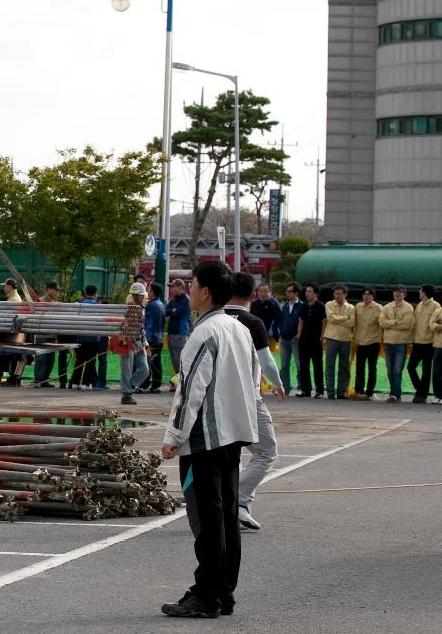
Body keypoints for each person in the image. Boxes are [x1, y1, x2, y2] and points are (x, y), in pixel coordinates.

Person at [160, 261, 260, 619]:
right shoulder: (239, 329)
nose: (189, 291)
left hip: (205, 438)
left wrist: (174, 435)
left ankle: (206, 594)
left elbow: (190, 392)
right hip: (233, 435)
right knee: (227, 514)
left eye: (193, 285)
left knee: (207, 516)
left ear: (205, 291)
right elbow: (254, 380)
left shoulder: (204, 334)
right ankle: (222, 592)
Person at [225, 272, 285, 532]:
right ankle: (238, 500)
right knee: (266, 451)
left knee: (229, 452)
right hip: (248, 397)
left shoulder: (211, 318)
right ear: (252, 295)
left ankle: (230, 503)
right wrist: (278, 384)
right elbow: (267, 360)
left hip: (216, 397)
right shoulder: (252, 321)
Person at [379, 285, 414, 403]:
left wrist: (390, 324)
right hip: (388, 342)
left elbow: (406, 325)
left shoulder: (408, 308)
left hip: (401, 343)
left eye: (400, 293)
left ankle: (394, 394)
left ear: (404, 294)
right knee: (390, 370)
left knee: (397, 369)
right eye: (395, 292)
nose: (397, 294)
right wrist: (395, 322)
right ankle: (396, 393)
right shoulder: (386, 307)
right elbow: (381, 323)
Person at [119, 282, 150, 405]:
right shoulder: (127, 309)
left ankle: (129, 386)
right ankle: (126, 394)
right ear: (135, 296)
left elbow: (141, 328)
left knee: (144, 370)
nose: (143, 298)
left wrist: (145, 343)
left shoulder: (141, 309)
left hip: (139, 342)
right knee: (126, 368)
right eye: (141, 295)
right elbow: (123, 326)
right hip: (127, 341)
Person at [409, 284, 441, 404]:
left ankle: (422, 395)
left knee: (426, 370)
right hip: (417, 341)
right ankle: (420, 389)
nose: (419, 292)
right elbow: (415, 323)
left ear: (424, 293)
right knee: (410, 367)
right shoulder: (419, 306)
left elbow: (436, 323)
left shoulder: (435, 306)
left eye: (420, 290)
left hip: (429, 342)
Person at [322, 285, 356, 399]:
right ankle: (330, 391)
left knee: (344, 366)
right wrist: (345, 318)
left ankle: (341, 392)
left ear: (345, 294)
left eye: (340, 294)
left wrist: (339, 319)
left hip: (346, 339)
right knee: (330, 365)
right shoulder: (329, 304)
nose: (337, 296)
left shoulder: (351, 307)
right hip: (331, 338)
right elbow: (331, 318)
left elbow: (352, 323)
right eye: (335, 294)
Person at [352, 287, 383, 400]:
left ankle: (370, 392)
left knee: (371, 368)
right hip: (360, 341)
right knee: (359, 368)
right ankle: (358, 390)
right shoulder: (358, 306)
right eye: (364, 294)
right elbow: (353, 322)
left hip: (373, 341)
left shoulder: (379, 308)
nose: (366, 296)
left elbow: (382, 324)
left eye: (369, 294)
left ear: (373, 297)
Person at [297, 283, 326, 398]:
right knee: (304, 366)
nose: (307, 294)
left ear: (316, 294)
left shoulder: (321, 306)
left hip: (316, 339)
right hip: (304, 339)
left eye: (310, 292)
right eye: (307, 291)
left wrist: (322, 337)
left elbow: (324, 322)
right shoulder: (303, 306)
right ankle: (306, 390)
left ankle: (319, 390)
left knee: (317, 365)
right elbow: (301, 321)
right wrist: (299, 336)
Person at [33, 282, 64, 387]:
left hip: (51, 334)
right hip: (41, 334)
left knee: (50, 358)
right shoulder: (40, 301)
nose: (57, 292)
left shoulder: (55, 303)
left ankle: (44, 379)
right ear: (48, 289)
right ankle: (38, 380)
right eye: (56, 290)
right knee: (41, 358)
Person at [277, 283, 304, 395]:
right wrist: (280, 334)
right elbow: (282, 321)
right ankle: (285, 387)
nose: (287, 293)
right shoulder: (285, 306)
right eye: (286, 291)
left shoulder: (302, 305)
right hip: (284, 339)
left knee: (299, 364)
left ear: (296, 293)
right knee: (284, 365)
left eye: (289, 291)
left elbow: (302, 322)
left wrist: (298, 335)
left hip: (295, 339)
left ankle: (301, 386)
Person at [73, 285, 101, 390]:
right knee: (90, 361)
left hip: (80, 337)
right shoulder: (97, 305)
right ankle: (86, 384)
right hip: (93, 338)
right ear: (95, 293)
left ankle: (75, 383)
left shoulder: (80, 304)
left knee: (79, 360)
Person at [165, 279, 192, 390]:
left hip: (180, 333)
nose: (172, 289)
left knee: (181, 361)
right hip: (172, 333)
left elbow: (177, 313)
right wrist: (172, 310)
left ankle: (183, 384)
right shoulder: (174, 299)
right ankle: (178, 383)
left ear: (181, 287)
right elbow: (166, 312)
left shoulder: (186, 299)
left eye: (174, 287)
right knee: (175, 361)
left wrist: (172, 311)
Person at [145, 282, 166, 393]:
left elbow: (148, 323)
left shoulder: (152, 305)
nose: (147, 291)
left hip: (151, 338)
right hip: (158, 337)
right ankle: (156, 384)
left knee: (149, 362)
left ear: (153, 292)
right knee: (156, 362)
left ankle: (146, 384)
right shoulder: (160, 304)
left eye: (149, 289)